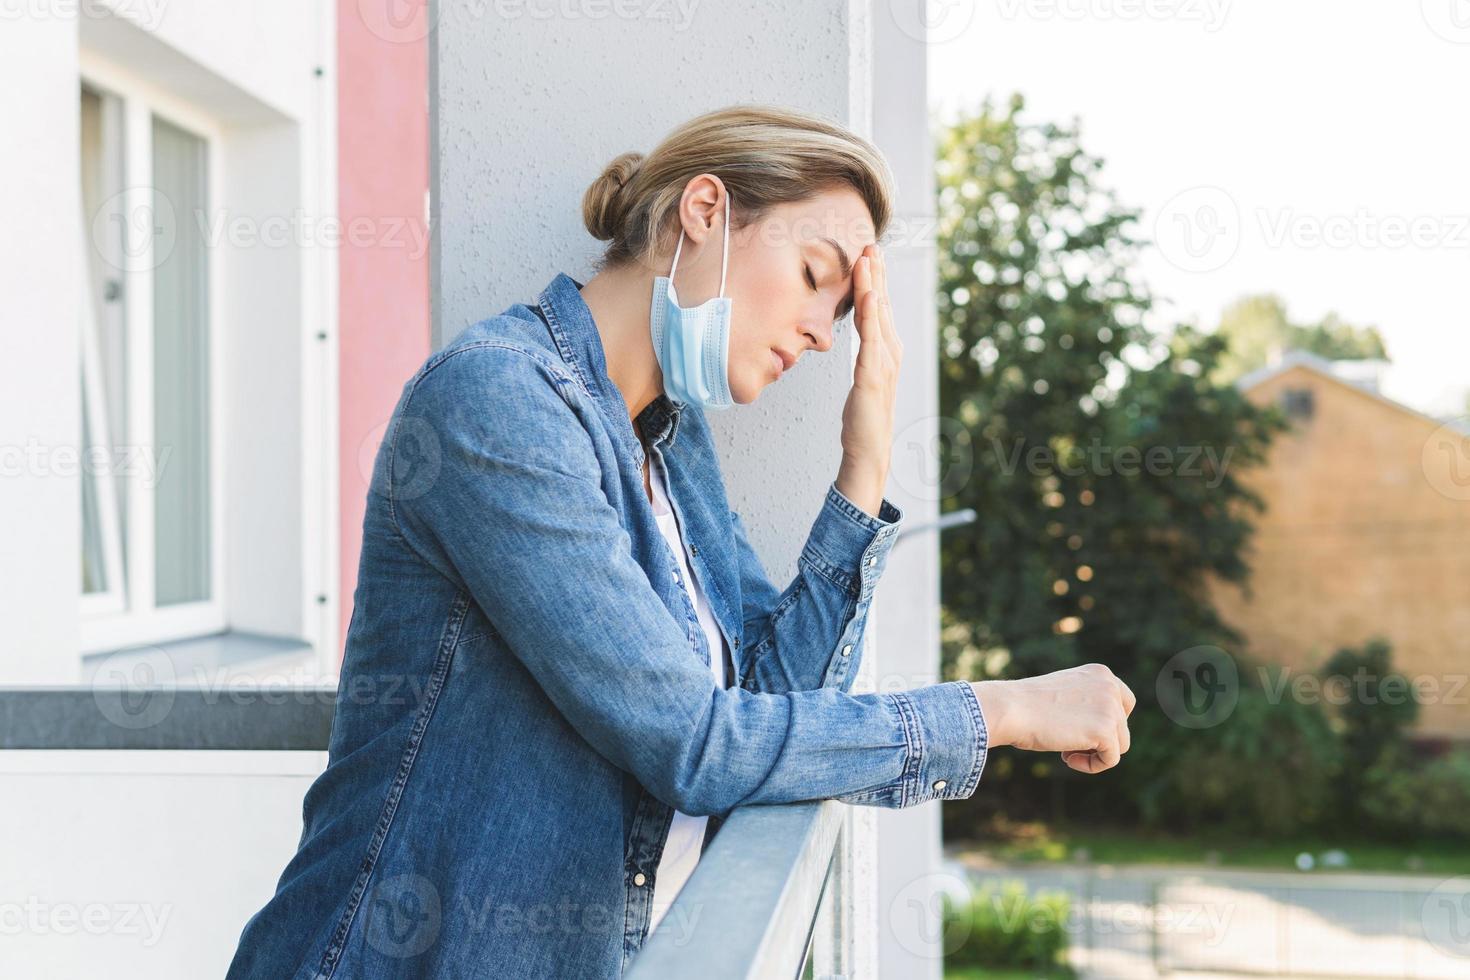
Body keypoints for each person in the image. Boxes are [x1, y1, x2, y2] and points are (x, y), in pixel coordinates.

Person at [225, 103, 1134, 980]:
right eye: (819, 276)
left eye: (844, 314)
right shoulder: (497, 404)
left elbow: (772, 701)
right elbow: (698, 746)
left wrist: (866, 460)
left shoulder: (669, 440)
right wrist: (1001, 712)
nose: (824, 335)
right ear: (706, 213)